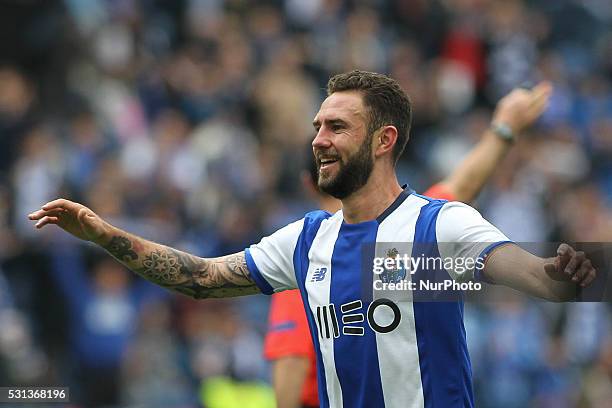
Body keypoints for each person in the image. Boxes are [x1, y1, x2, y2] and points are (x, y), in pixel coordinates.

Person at [28, 70, 596, 407]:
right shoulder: (306, 243)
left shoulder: (436, 226)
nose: (318, 139)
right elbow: (201, 279)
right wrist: (103, 234)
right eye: (317, 127)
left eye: (337, 127)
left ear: (383, 140)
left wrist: (569, 275)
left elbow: (535, 278)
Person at [264, 82, 555, 408]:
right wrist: (504, 127)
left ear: (310, 181)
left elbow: (288, 388)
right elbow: (461, 185)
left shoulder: (318, 260)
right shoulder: (405, 234)